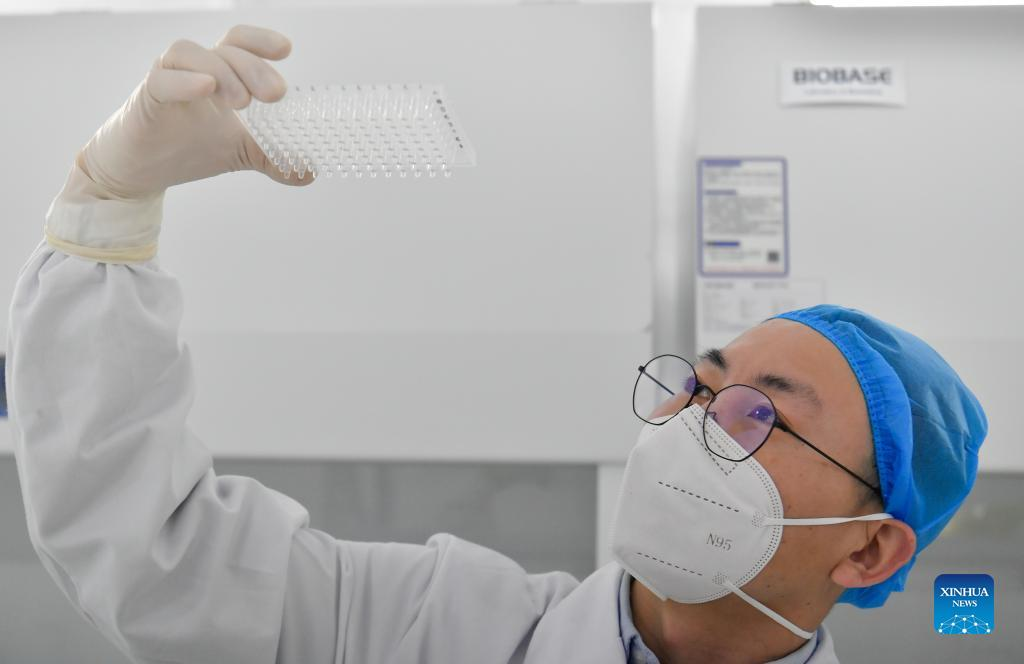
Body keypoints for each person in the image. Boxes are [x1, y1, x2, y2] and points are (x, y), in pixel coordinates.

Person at [6, 25, 986, 664]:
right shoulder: (427, 622)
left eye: (755, 411)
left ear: (868, 548)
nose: (690, 423)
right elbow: (155, 561)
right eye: (698, 386)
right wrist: (109, 203)